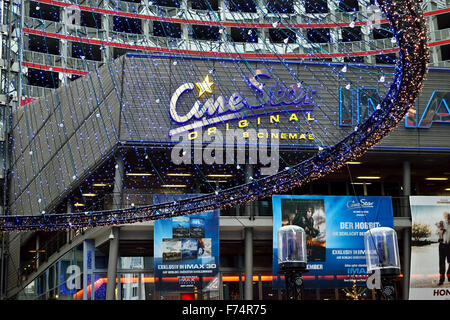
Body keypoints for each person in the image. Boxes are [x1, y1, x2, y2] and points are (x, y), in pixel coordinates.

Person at [438, 212, 450, 285]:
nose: (447, 219)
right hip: (442, 245)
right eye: (445, 217)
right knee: (441, 262)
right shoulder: (442, 224)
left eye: (448, 217)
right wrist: (441, 230)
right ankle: (441, 279)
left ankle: (449, 274)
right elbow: (438, 233)